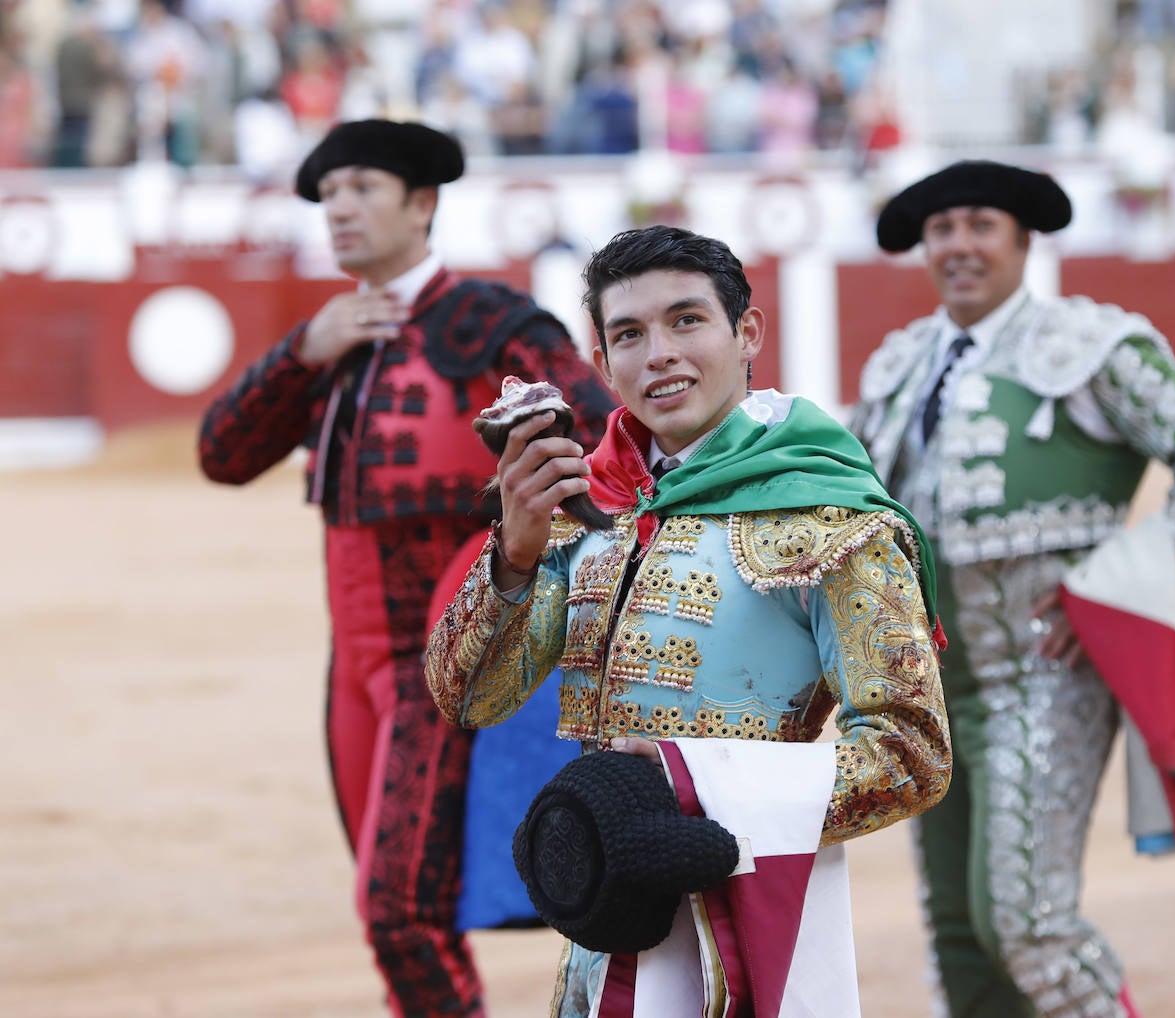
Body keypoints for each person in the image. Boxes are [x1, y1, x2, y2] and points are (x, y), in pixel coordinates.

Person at [425, 224, 953, 1016]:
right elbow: (468, 699)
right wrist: (515, 557)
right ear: (603, 365)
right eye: (629, 335)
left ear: (747, 333)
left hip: (753, 897)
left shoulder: (829, 515)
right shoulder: (588, 509)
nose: (659, 354)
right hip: (607, 911)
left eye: (687, 321)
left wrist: (707, 800)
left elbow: (914, 751)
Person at [197, 118, 615, 1017]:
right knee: (398, 905)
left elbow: (604, 447)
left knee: (398, 909)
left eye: (362, 188)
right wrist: (302, 348)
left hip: (442, 657)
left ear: (422, 203)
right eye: (330, 193)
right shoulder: (334, 340)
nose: (339, 208)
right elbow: (222, 454)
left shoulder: (494, 323)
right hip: (351, 667)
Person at [849, 160, 1175, 1018]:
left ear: (1023, 241)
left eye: (980, 225)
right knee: (960, 930)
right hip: (926, 691)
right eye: (943, 229)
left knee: (1027, 927)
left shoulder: (1087, 348)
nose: (959, 245)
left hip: (1043, 674)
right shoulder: (900, 366)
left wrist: (1134, 590)